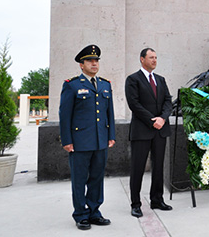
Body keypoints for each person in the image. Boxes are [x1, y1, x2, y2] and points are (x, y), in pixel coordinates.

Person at [59, 45, 116, 230]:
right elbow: (64, 115)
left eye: (96, 60)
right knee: (79, 179)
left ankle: (94, 212)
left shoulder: (105, 84)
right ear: (81, 65)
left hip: (100, 141)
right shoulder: (72, 85)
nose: (94, 63)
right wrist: (66, 140)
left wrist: (111, 135)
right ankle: (80, 214)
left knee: (97, 178)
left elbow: (110, 114)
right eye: (90, 60)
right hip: (80, 142)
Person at [125, 48, 173, 218]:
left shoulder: (160, 80)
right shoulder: (133, 79)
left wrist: (163, 118)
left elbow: (168, 101)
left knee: (158, 166)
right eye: (151, 57)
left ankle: (157, 200)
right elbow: (134, 104)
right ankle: (136, 204)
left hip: (160, 131)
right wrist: (153, 120)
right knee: (137, 168)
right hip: (142, 130)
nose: (154, 60)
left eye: (156, 57)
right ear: (142, 59)